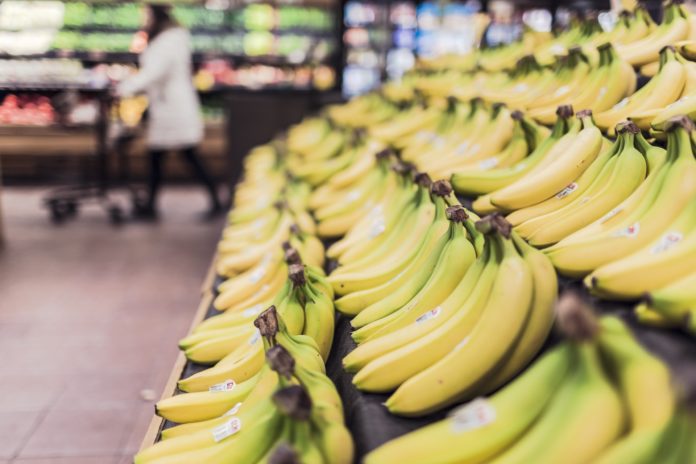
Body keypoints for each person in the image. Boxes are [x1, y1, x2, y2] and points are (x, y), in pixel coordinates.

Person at [117, 4, 222, 219]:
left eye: (146, 14)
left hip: (172, 107)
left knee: (185, 155)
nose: (143, 19)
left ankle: (214, 200)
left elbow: (155, 72)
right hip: (167, 106)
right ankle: (151, 205)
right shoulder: (170, 38)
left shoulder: (168, 41)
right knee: (159, 157)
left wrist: (126, 87)